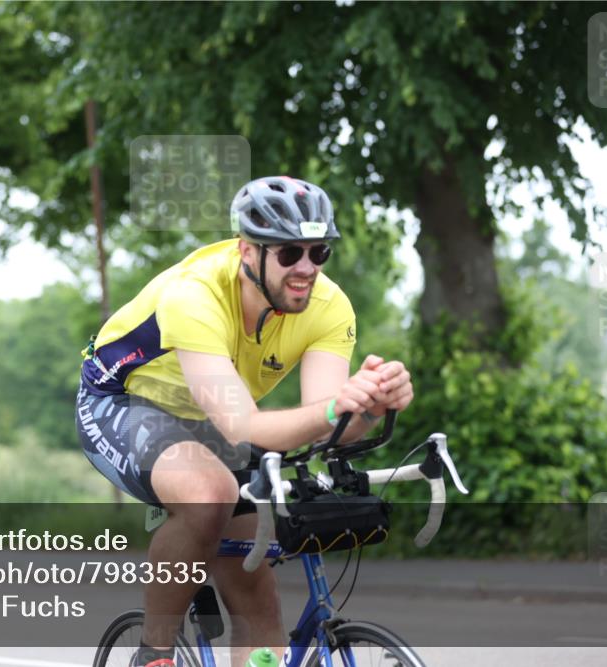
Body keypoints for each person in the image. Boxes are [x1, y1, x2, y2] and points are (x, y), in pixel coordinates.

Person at [76, 176, 414, 667]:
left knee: (255, 574)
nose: (306, 268)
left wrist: (368, 407)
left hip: (219, 415)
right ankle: (154, 652)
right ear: (247, 251)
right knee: (210, 494)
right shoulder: (194, 296)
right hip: (126, 401)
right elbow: (243, 427)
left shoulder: (329, 306)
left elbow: (323, 427)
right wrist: (332, 409)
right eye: (289, 253)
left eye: (319, 253)